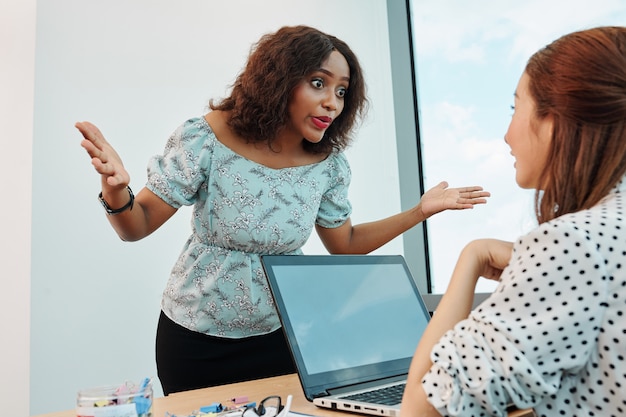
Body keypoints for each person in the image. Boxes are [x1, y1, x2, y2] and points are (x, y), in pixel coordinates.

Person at [76, 25, 489, 396]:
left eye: (342, 91)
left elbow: (343, 244)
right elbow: (136, 225)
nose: (332, 102)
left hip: (287, 337)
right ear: (279, 80)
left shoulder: (329, 165)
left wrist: (419, 211)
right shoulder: (206, 138)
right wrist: (116, 189)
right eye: (318, 83)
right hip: (195, 338)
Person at [400, 25, 626, 417]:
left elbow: (420, 408)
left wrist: (471, 257)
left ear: (554, 120)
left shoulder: (573, 244)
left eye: (514, 108)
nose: (506, 136)